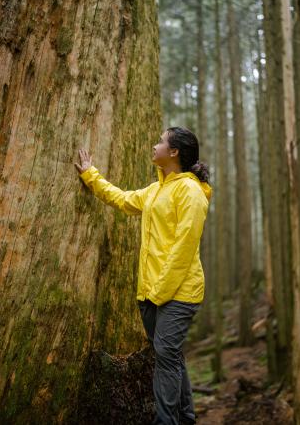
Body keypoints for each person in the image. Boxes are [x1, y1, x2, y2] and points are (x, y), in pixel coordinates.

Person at [75, 126, 212, 425]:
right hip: (150, 293)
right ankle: (186, 417)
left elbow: (184, 248)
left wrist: (159, 292)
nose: (154, 145)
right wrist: (90, 175)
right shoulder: (155, 190)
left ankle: (166, 421)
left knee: (165, 357)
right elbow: (122, 199)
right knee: (170, 357)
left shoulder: (191, 192)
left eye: (160, 142)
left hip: (178, 293)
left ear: (174, 152)